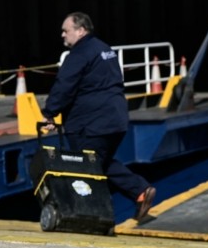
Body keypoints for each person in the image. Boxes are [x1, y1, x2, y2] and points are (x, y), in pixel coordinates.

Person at [40, 12, 155, 220]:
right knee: (100, 161)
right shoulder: (104, 49)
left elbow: (65, 85)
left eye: (66, 30)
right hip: (115, 119)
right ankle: (139, 192)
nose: (62, 35)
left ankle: (92, 215)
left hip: (91, 124)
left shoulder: (79, 54)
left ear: (81, 30)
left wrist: (49, 113)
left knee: (85, 166)